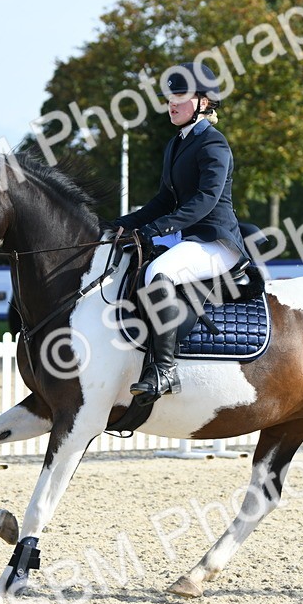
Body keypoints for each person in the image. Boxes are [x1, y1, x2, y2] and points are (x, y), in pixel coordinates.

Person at [112, 61, 249, 405]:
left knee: (159, 271)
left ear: (203, 102)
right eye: (169, 97)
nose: (171, 103)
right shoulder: (175, 145)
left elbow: (205, 201)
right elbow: (164, 200)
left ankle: (164, 370)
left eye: (179, 96)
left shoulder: (213, 145)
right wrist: (123, 224)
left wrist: (156, 230)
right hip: (191, 241)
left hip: (217, 242)